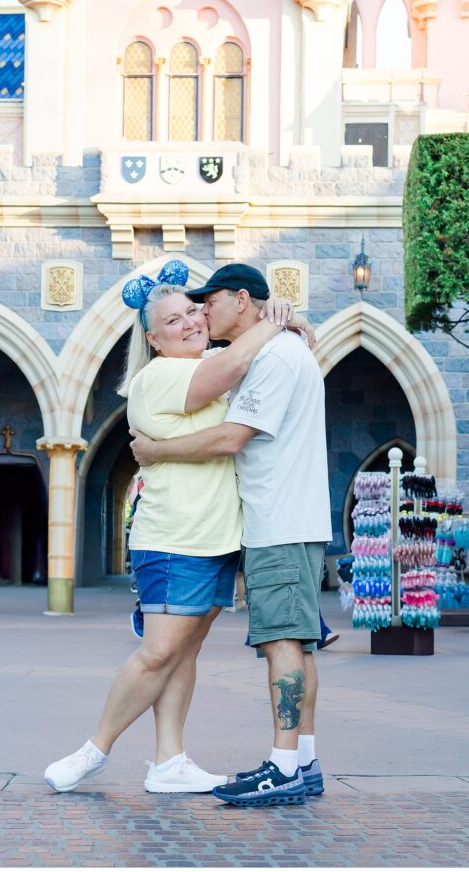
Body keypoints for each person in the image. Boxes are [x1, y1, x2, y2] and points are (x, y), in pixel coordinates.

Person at [44, 260, 304, 795]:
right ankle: (93, 750)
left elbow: (238, 368)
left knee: (185, 653)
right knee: (160, 651)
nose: (189, 323)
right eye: (173, 321)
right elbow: (229, 370)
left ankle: (169, 761)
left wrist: (279, 317)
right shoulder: (158, 377)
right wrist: (271, 320)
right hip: (173, 540)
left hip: (217, 541)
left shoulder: (217, 359)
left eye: (192, 312)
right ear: (153, 339)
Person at [130, 263, 332, 807]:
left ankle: (284, 766)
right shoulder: (271, 349)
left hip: (280, 523)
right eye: (187, 309)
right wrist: (283, 317)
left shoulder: (275, 357)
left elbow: (229, 439)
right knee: (297, 644)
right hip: (286, 521)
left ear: (242, 300)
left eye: (208, 301)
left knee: (283, 644)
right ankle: (304, 762)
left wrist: (154, 451)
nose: (203, 312)